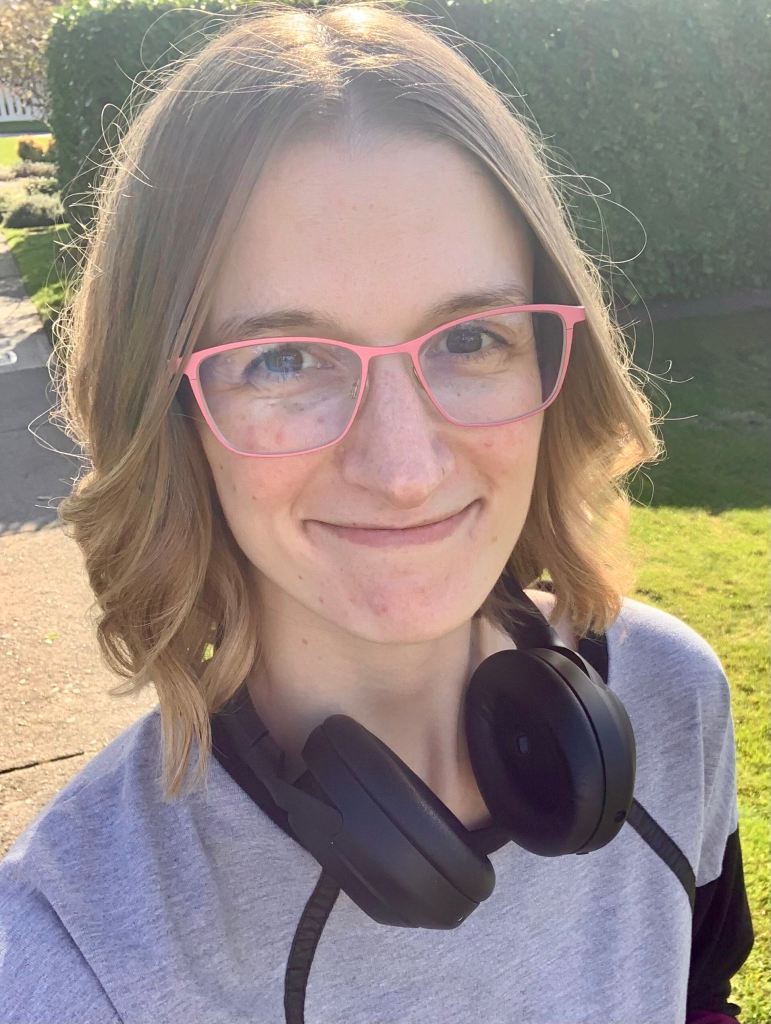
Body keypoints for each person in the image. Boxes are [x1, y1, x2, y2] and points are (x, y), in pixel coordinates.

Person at [0, 2, 754, 1022]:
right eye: (284, 359)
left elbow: (700, 995)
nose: (402, 467)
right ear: (169, 415)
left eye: (471, 337)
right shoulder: (71, 946)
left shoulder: (673, 700)